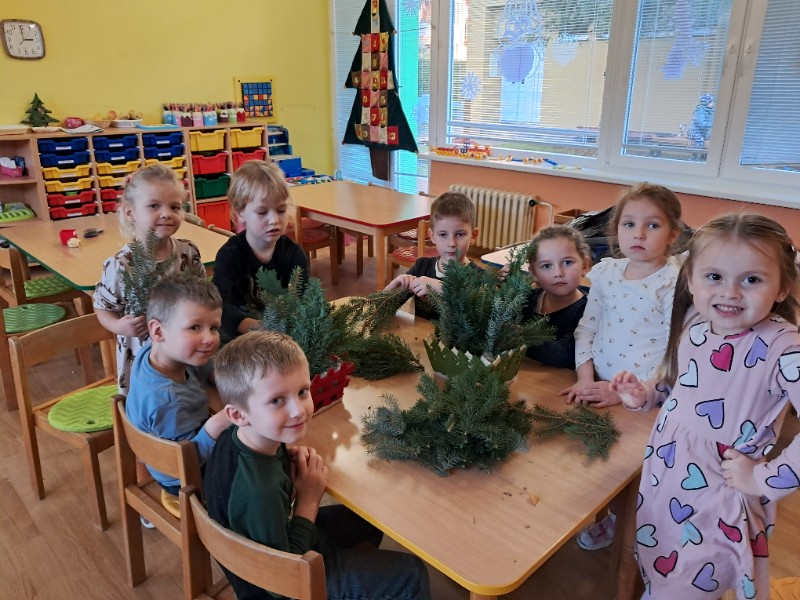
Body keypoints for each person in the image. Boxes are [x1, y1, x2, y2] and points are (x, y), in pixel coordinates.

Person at [610, 214, 800, 600]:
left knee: (690, 585)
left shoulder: (785, 347)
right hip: (666, 478)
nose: (730, 292)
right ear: (691, 279)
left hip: (719, 497)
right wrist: (646, 394)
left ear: (782, 287)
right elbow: (685, 387)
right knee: (661, 567)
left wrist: (764, 479)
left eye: (752, 279)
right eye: (714, 276)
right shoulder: (697, 327)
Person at [206, 331, 431, 600]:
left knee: (369, 517)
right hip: (285, 586)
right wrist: (309, 500)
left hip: (282, 539)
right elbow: (282, 580)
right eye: (277, 400)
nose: (298, 410)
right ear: (238, 414)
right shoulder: (260, 492)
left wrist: (285, 460)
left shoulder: (238, 438)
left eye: (302, 392)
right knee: (412, 573)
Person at [561, 182, 684, 551]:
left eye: (653, 225)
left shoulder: (674, 282)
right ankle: (601, 509)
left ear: (673, 234)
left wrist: (625, 393)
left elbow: (675, 353)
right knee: (590, 457)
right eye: (629, 224)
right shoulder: (608, 273)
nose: (638, 234)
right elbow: (587, 328)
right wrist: (585, 377)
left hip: (645, 399)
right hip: (598, 385)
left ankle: (621, 520)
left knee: (628, 471)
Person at [94, 163, 204, 395]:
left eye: (175, 207)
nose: (166, 214)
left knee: (187, 399)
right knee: (151, 405)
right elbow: (102, 308)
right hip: (143, 358)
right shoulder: (121, 265)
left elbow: (203, 294)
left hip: (186, 349)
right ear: (130, 213)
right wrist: (118, 326)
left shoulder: (188, 252)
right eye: (154, 206)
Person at [125, 273, 230, 498]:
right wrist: (216, 425)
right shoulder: (168, 401)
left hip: (183, 443)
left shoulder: (154, 353)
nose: (209, 338)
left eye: (214, 327)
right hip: (184, 476)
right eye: (194, 327)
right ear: (158, 331)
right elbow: (186, 461)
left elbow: (196, 361)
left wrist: (212, 374)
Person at [212, 160, 308, 341]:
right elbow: (218, 306)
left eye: (281, 210)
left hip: (283, 337)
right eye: (262, 212)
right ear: (240, 212)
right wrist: (256, 327)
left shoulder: (294, 255)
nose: (274, 220)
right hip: (239, 339)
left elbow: (305, 302)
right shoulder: (229, 256)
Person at [384, 191, 479, 320]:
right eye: (443, 234)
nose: (451, 243)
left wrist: (443, 289)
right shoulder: (421, 267)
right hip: (420, 333)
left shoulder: (479, 277)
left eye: (460, 234)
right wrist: (393, 288)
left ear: (473, 235)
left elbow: (483, 318)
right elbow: (382, 310)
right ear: (432, 236)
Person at [521, 225, 590, 369]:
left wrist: (513, 336)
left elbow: (563, 355)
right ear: (534, 273)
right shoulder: (527, 299)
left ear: (584, 265)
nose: (558, 273)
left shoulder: (588, 311)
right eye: (546, 266)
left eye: (567, 262)